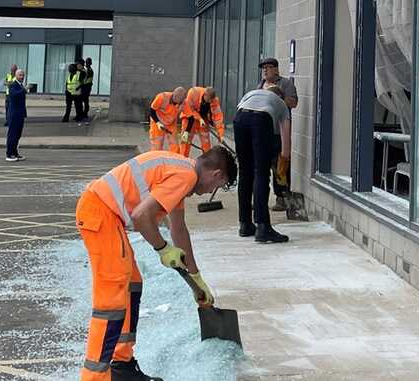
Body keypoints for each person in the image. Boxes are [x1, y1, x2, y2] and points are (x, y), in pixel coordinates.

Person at [76, 146, 237, 381]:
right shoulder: (185, 176)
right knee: (112, 299)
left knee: (132, 284)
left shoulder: (182, 171)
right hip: (101, 214)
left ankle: (122, 366)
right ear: (217, 175)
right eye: (218, 186)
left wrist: (197, 280)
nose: (211, 191)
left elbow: (179, 230)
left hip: (105, 215)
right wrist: (162, 248)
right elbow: (142, 216)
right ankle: (94, 377)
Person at [234, 86, 291, 243]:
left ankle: (245, 224)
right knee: (261, 173)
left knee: (245, 172)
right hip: (261, 119)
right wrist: (283, 163)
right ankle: (263, 227)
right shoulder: (281, 104)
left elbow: (239, 111)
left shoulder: (251, 93)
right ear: (280, 96)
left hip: (240, 118)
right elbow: (285, 140)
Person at [256, 57, 298, 212]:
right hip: (262, 131)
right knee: (262, 165)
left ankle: (282, 197)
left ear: (276, 69)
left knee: (280, 165)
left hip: (279, 131)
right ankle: (261, 198)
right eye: (263, 68)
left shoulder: (285, 84)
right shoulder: (260, 85)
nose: (265, 70)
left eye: (268, 67)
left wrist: (277, 96)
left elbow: (293, 103)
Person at [178, 86, 224, 157]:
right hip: (189, 118)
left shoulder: (214, 101)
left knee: (206, 142)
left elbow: (218, 117)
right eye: (208, 100)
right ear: (205, 95)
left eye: (211, 101)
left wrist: (220, 134)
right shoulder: (193, 92)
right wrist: (199, 118)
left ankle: (206, 161)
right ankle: (182, 159)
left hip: (204, 120)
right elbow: (190, 109)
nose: (209, 102)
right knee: (185, 140)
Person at [148, 87, 187, 152]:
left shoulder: (183, 102)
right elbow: (152, 110)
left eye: (182, 100)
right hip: (158, 122)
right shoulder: (162, 97)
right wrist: (158, 123)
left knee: (175, 146)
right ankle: (157, 161)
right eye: (180, 100)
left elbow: (190, 116)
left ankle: (174, 160)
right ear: (175, 95)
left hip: (171, 124)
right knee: (157, 146)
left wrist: (186, 132)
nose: (180, 103)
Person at [5, 69, 27, 162]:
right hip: (14, 114)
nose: (22, 77)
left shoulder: (20, 85)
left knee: (17, 135)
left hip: (20, 114)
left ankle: (15, 152)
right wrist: (24, 90)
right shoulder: (13, 85)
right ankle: (9, 154)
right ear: (16, 76)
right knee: (12, 134)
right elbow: (14, 95)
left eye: (23, 75)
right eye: (20, 75)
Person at [80, 57, 94, 126]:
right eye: (87, 62)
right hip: (85, 87)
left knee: (85, 100)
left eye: (88, 62)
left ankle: (84, 113)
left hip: (87, 87)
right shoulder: (87, 69)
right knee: (85, 100)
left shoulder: (89, 70)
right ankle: (84, 113)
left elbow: (85, 77)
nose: (87, 64)